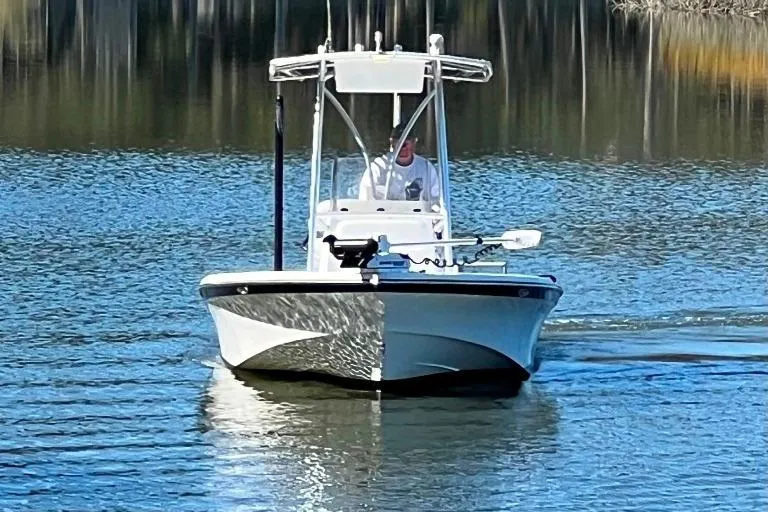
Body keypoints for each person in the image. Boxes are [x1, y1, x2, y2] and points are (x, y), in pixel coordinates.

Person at [358, 122, 440, 203]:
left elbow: (435, 200)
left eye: (405, 144)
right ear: (392, 143)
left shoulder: (426, 167)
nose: (403, 148)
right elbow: (365, 199)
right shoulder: (378, 167)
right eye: (399, 144)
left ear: (414, 143)